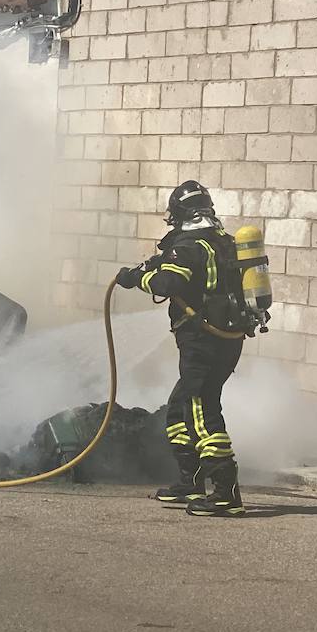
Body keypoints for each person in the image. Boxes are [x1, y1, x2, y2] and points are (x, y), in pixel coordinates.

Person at [115, 180, 266, 517]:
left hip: (203, 340)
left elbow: (168, 283)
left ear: (178, 214)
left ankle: (226, 493)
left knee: (200, 409)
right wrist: (151, 265)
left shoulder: (187, 245)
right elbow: (181, 270)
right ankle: (190, 481)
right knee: (179, 408)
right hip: (227, 339)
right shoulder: (222, 242)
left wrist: (135, 279)